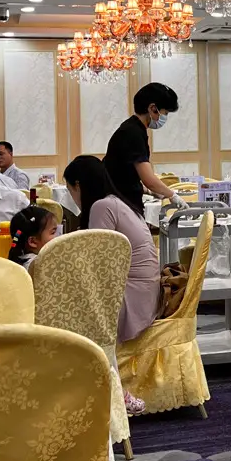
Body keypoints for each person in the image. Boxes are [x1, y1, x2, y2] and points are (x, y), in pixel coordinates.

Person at [64, 155, 160, 344]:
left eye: (70, 191)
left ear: (78, 185)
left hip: (133, 298)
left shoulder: (102, 207)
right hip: (147, 292)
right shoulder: (117, 202)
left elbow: (96, 265)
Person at [103, 84, 181, 217]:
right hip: (122, 204)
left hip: (120, 200)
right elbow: (148, 179)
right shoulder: (133, 133)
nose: (165, 117)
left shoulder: (133, 128)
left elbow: (127, 172)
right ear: (153, 108)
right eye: (165, 113)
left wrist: (150, 191)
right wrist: (173, 196)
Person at [7, 204, 57, 269]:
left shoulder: (20, 260)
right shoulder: (41, 265)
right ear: (33, 241)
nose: (57, 237)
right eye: (53, 233)